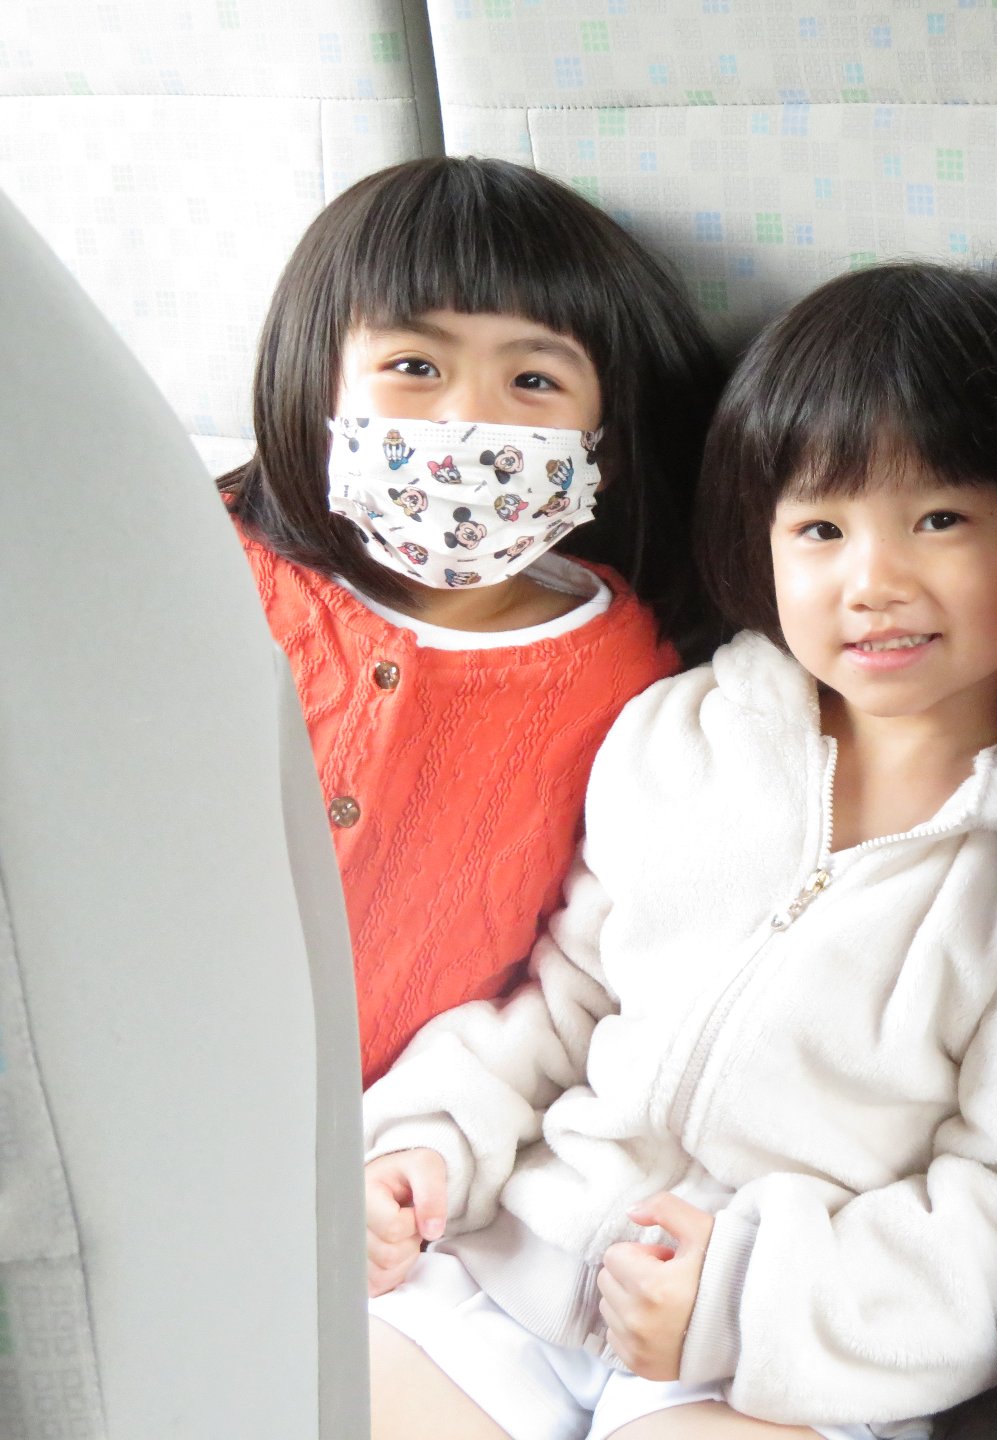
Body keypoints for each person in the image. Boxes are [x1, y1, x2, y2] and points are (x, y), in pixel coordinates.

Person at [357, 263, 997, 1440]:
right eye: (820, 527)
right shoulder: (681, 736)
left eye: (938, 519)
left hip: (774, 1352)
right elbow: (558, 1007)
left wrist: (741, 1298)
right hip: (519, 1256)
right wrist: (428, 1146)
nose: (874, 582)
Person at [220, 157, 724, 1085]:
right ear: (316, 384)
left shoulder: (635, 676)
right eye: (414, 367)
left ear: (601, 445)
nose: (466, 420)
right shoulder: (204, 573)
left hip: (397, 1145)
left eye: (533, 381)